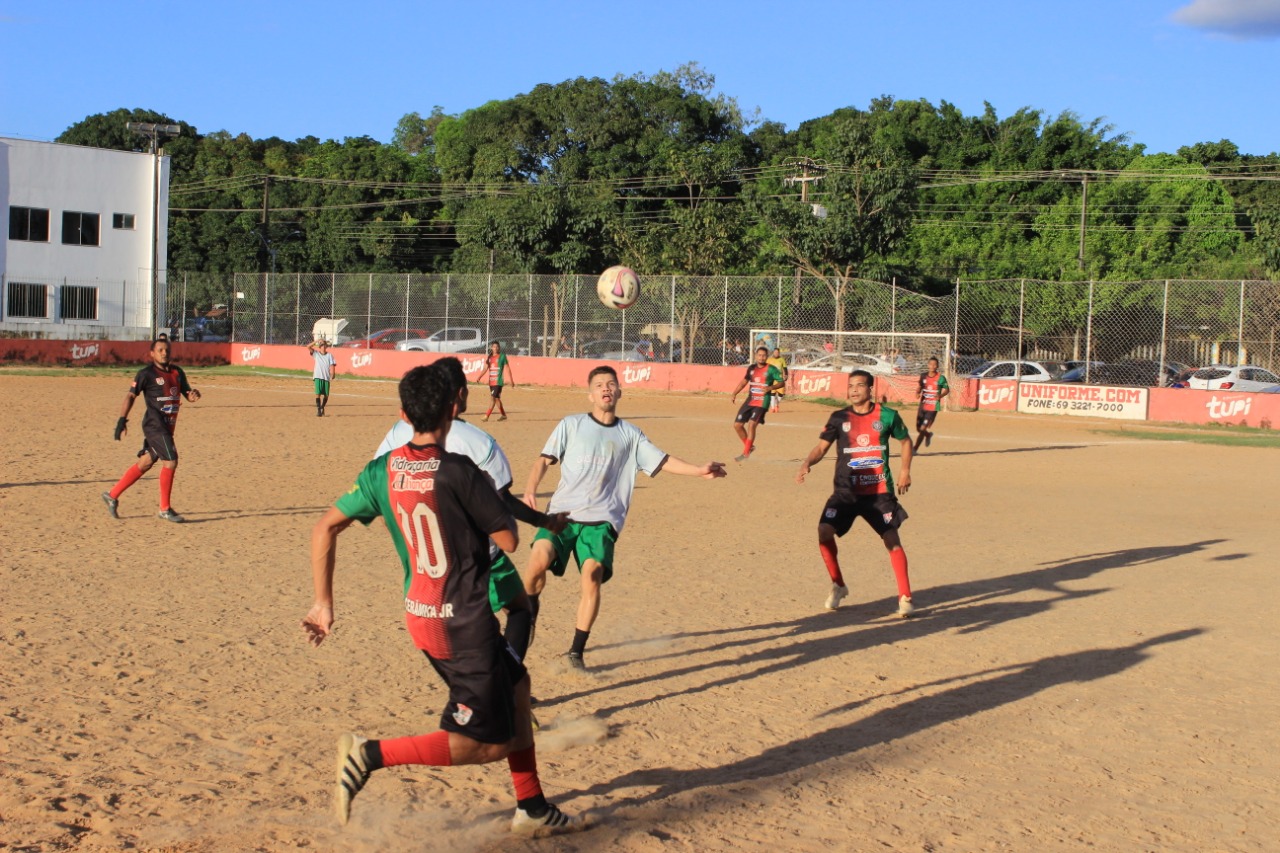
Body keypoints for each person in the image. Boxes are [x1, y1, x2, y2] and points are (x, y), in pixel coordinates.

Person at [302, 364, 583, 836]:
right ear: (454, 406)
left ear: (403, 413)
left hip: (421, 612)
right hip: (461, 622)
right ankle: (368, 754)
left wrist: (323, 603)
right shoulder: (460, 469)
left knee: (517, 687)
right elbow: (509, 540)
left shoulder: (382, 469)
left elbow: (324, 527)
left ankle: (531, 805)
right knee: (484, 744)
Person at [520, 366, 727, 670]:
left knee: (592, 579)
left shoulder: (630, 434)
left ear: (619, 392)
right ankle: (530, 611)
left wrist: (698, 470)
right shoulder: (571, 424)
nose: (606, 388)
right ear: (590, 394)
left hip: (601, 521)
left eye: (611, 384)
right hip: (562, 514)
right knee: (537, 560)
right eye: (599, 385)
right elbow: (543, 460)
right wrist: (530, 490)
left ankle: (576, 653)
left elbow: (663, 459)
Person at [375, 357, 568, 661]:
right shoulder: (480, 443)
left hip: (422, 558)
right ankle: (508, 682)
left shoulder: (398, 432)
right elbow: (502, 502)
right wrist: (544, 520)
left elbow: (381, 486)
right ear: (461, 394)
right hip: (475, 558)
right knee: (518, 610)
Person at [796, 369, 917, 618]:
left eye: (859, 385)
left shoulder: (887, 415)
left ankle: (905, 596)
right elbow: (821, 447)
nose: (853, 390)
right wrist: (808, 462)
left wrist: (905, 470)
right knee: (824, 532)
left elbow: (906, 441)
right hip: (846, 492)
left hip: (879, 491)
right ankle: (838, 585)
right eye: (850, 385)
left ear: (870, 389)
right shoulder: (839, 417)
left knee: (891, 540)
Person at [101, 337, 202, 523]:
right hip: (155, 425)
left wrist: (193, 394)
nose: (165, 353)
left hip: (168, 426)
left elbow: (187, 393)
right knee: (171, 462)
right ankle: (164, 509)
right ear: (152, 354)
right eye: (160, 350)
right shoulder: (145, 374)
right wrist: (121, 421)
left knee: (146, 463)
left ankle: (112, 495)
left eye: (167, 350)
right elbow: (131, 396)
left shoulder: (177, 372)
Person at [730, 346, 786, 462]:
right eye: (759, 355)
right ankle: (750, 447)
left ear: (767, 357)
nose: (761, 357)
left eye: (764, 355)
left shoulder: (771, 369)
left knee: (751, 424)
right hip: (750, 400)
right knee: (737, 425)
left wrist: (771, 387)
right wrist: (734, 393)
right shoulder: (751, 369)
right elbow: (743, 382)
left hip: (762, 402)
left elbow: (781, 383)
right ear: (755, 356)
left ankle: (745, 453)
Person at [913, 357, 951, 451]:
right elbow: (920, 387)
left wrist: (940, 396)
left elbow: (947, 389)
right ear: (928, 365)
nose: (932, 366)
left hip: (933, 407)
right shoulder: (923, 376)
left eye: (935, 364)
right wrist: (918, 392)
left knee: (922, 429)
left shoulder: (941, 378)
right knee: (918, 429)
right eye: (931, 364)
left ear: (937, 366)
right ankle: (928, 435)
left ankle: (915, 449)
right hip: (922, 406)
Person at [475, 341, 515, 421]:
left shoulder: (502, 356)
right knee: (497, 399)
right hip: (491, 382)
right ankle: (503, 415)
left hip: (498, 382)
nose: (495, 348)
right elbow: (485, 368)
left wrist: (511, 380)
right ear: (491, 348)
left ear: (499, 348)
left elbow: (507, 368)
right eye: (494, 347)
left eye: (497, 347)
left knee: (492, 398)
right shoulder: (490, 357)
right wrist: (479, 376)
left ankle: (487, 416)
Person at [307, 339, 337, 416]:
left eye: (324, 345)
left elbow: (332, 365)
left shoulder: (329, 355)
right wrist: (317, 341)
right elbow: (308, 346)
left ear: (326, 346)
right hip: (318, 376)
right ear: (319, 347)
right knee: (318, 393)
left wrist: (333, 373)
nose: (323, 347)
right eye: (321, 346)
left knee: (326, 395)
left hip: (326, 377)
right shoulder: (316, 354)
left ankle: (322, 407)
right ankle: (318, 410)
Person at [766, 347, 790, 413]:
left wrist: (786, 375)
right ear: (773, 352)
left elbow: (785, 368)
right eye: (775, 352)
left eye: (777, 352)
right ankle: (772, 408)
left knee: (780, 395)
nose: (776, 353)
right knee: (772, 394)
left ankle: (777, 404)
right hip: (772, 379)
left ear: (779, 353)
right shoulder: (769, 360)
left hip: (779, 379)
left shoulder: (781, 359)